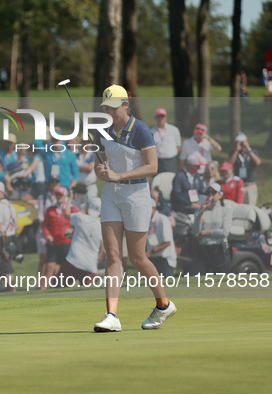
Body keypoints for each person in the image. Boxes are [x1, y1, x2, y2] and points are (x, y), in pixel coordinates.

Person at [94, 84, 176, 332]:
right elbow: (101, 164)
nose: (110, 112)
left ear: (126, 105)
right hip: (111, 195)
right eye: (106, 108)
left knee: (138, 257)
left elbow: (152, 167)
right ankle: (112, 316)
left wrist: (119, 176)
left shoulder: (140, 129)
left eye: (114, 107)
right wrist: (103, 172)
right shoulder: (103, 131)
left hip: (137, 194)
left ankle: (163, 305)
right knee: (113, 255)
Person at [41, 185, 78, 289]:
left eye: (60, 195)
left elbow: (80, 221)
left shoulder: (71, 208)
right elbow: (44, 225)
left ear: (65, 196)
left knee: (67, 269)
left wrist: (72, 230)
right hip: (54, 243)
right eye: (57, 195)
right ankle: (42, 290)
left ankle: (67, 289)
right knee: (49, 267)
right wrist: (47, 235)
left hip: (67, 242)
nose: (58, 197)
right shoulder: (50, 210)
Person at [62, 195, 104, 284]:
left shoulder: (80, 218)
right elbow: (104, 251)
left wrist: (69, 199)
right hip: (90, 267)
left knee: (56, 288)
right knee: (90, 296)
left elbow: (66, 214)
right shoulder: (101, 226)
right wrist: (95, 265)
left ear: (88, 207)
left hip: (73, 262)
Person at [192, 183, 233, 274]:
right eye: (208, 192)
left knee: (220, 280)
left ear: (220, 195)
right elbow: (195, 233)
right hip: (203, 248)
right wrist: (200, 215)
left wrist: (205, 233)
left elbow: (225, 232)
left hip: (217, 248)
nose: (210, 195)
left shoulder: (226, 209)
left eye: (213, 192)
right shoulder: (201, 210)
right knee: (195, 276)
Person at [0, 181, 18, 290]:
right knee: (7, 270)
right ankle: (12, 293)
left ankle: (12, 294)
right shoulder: (10, 205)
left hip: (0, 243)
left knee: (4, 272)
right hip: (10, 242)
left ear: (1, 193)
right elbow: (16, 226)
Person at [227, 132, 261, 205]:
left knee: (250, 207)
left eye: (243, 143)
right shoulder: (233, 153)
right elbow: (229, 164)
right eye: (239, 143)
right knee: (238, 206)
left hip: (250, 185)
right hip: (238, 184)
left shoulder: (253, 152)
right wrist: (236, 150)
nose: (242, 145)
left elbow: (258, 162)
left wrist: (248, 148)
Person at [146, 199, 177, 277]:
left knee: (167, 285)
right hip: (153, 258)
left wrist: (150, 252)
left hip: (165, 259)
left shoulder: (163, 219)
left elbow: (167, 242)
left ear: (153, 208)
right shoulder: (146, 221)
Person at [151, 108, 181, 173]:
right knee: (158, 181)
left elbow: (178, 147)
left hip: (171, 160)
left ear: (166, 117)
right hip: (158, 161)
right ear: (155, 118)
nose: (160, 118)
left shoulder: (174, 130)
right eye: (158, 116)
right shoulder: (151, 132)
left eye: (162, 116)